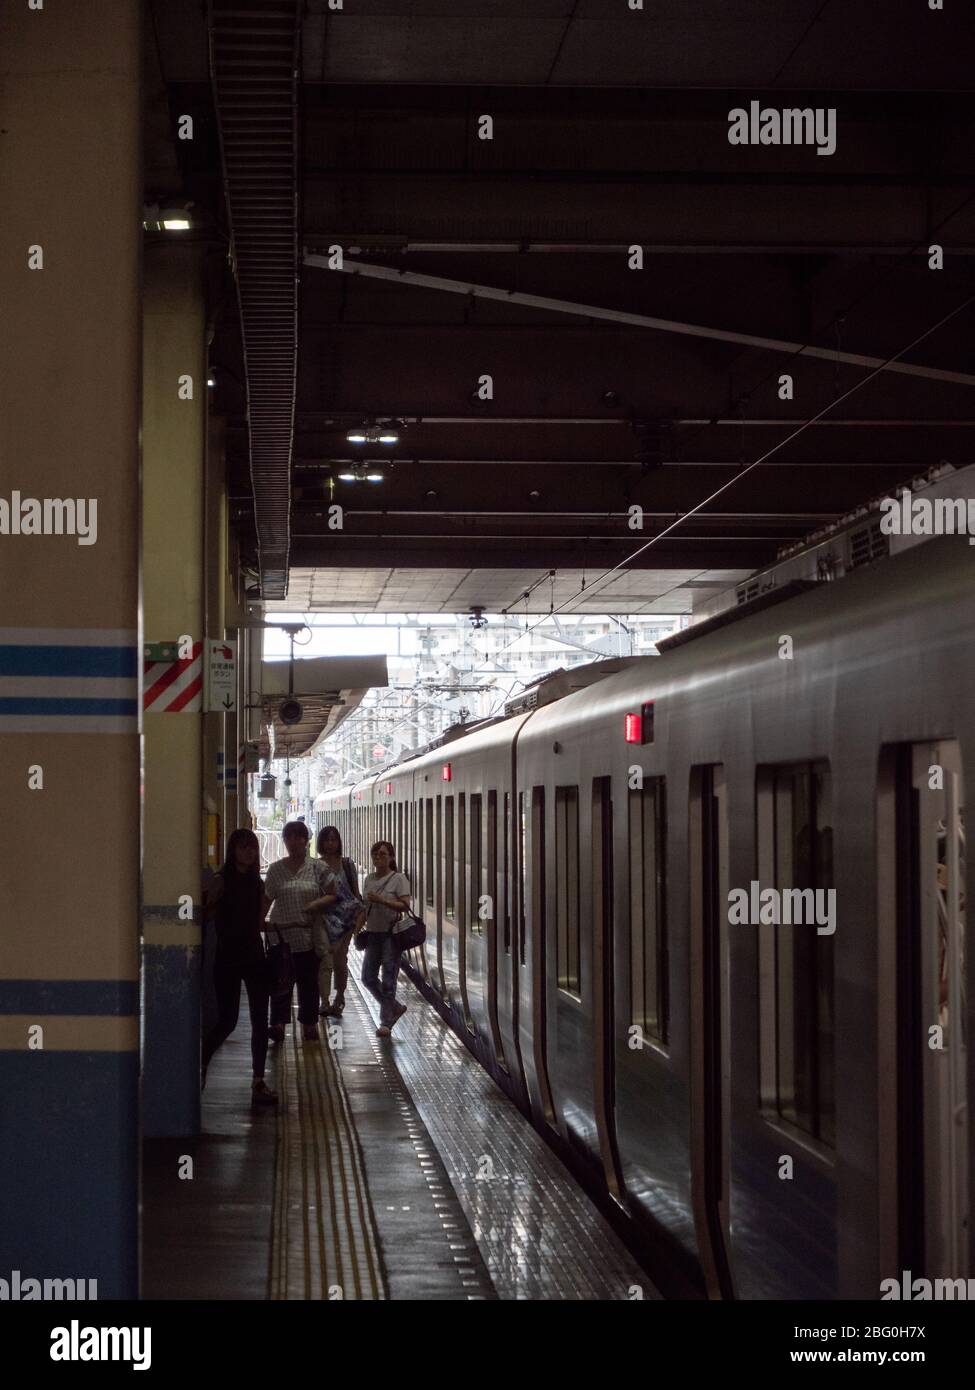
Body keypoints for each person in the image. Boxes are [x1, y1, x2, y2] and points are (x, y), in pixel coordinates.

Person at [201, 828, 277, 1106]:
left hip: (254, 956)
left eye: (253, 847)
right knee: (228, 1021)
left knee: (260, 1019)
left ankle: (258, 1080)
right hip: (228, 958)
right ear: (232, 850)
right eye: (244, 847)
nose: (249, 852)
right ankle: (202, 1062)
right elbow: (206, 914)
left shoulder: (258, 883)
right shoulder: (221, 881)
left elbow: (258, 922)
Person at [264, 820, 335, 1043]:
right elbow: (266, 902)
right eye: (289, 837)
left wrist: (316, 905)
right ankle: (277, 1024)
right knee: (280, 983)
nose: (293, 842)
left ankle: (309, 1023)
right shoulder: (275, 870)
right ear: (284, 840)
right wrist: (258, 925)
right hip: (281, 938)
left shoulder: (317, 867)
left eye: (298, 837)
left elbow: (334, 894)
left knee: (308, 984)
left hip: (308, 937)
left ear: (306, 840)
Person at [358, 841, 412, 1038]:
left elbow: (405, 905)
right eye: (375, 854)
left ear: (391, 857)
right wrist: (357, 930)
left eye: (382, 854)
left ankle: (386, 1023)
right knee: (367, 977)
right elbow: (365, 908)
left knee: (389, 980)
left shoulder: (399, 879)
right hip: (373, 933)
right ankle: (395, 1007)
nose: (378, 858)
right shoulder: (369, 879)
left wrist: (382, 900)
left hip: (391, 934)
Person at [314, 825, 362, 1018]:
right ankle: (324, 1001)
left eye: (334, 839)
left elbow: (356, 894)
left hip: (346, 920)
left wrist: (360, 919)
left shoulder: (347, 865)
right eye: (326, 839)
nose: (330, 843)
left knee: (340, 961)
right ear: (321, 842)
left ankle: (339, 996)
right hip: (324, 918)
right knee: (326, 958)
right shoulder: (316, 866)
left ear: (339, 842)